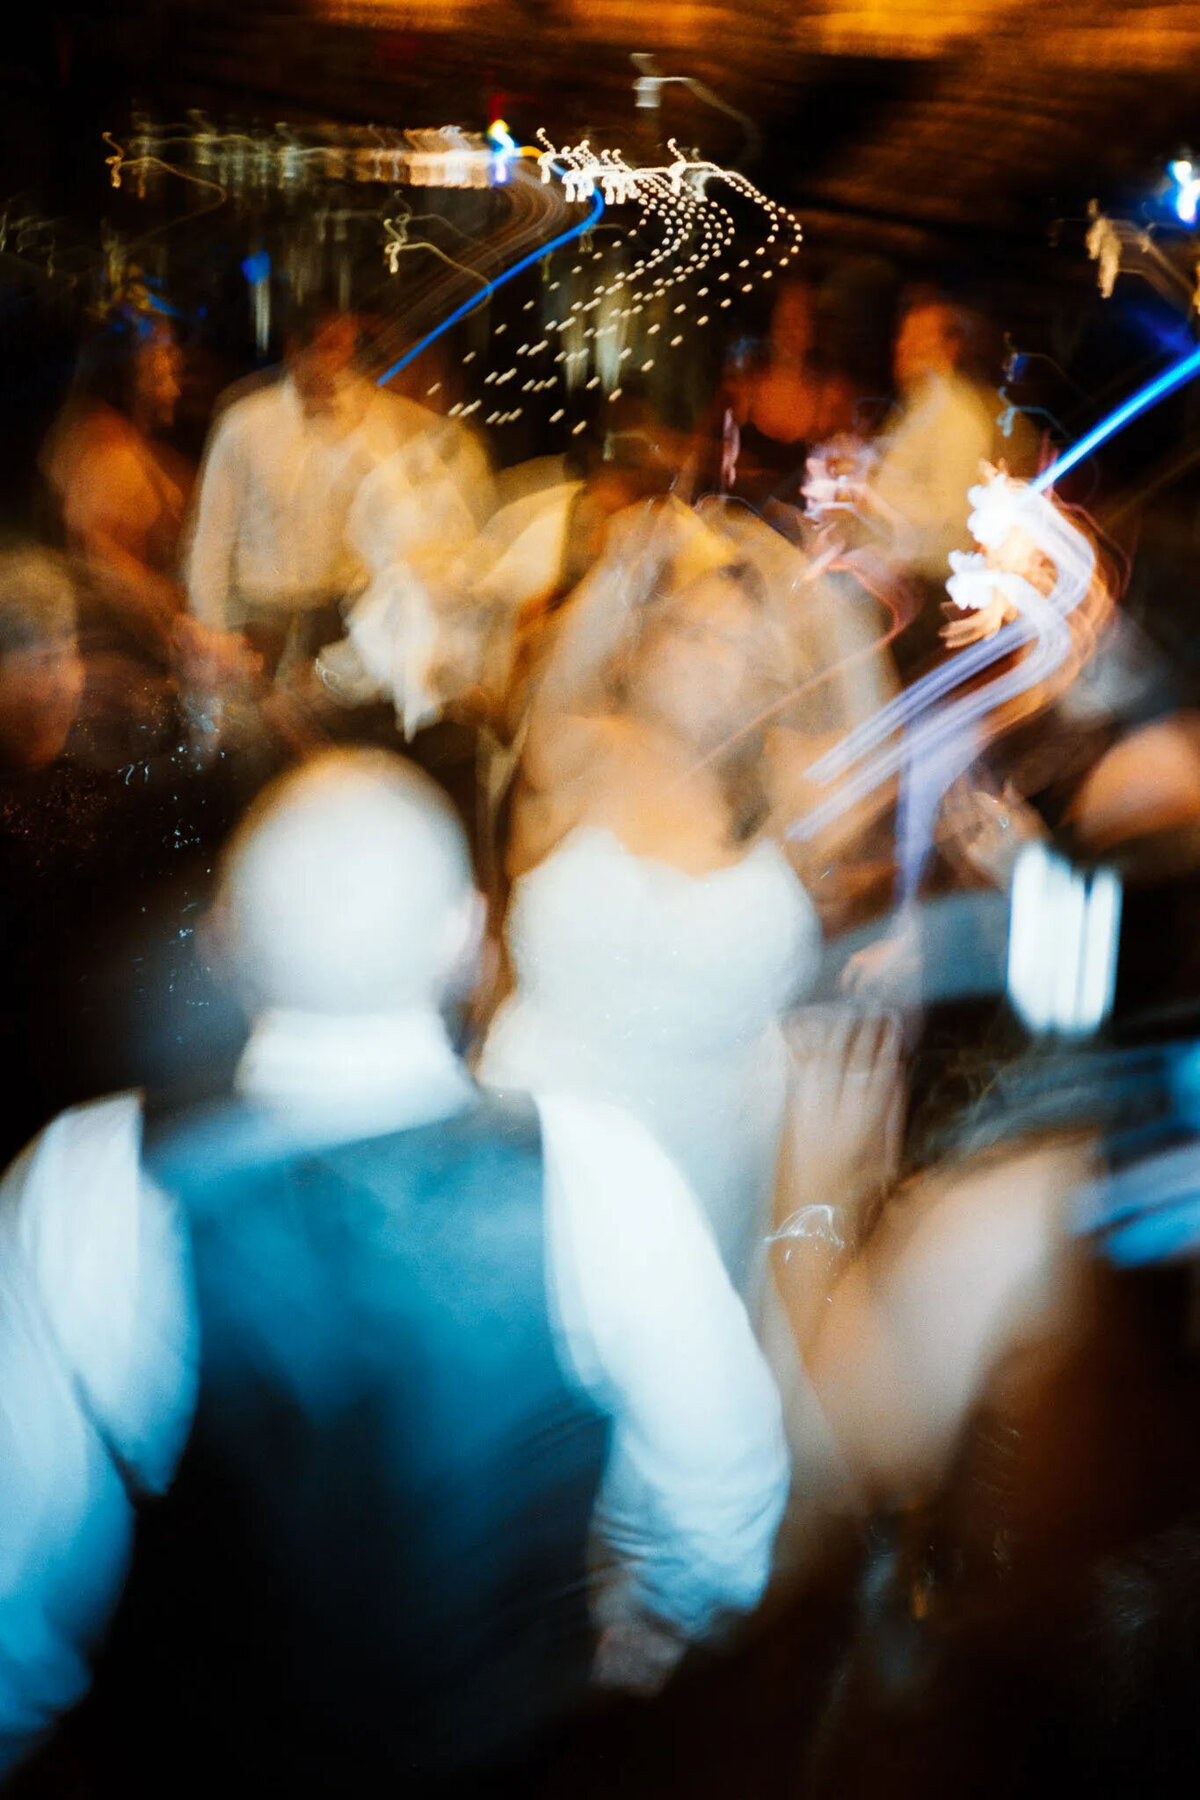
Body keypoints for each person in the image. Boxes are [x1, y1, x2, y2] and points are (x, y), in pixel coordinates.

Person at [0, 748, 788, 1795]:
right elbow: (725, 1487)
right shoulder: (601, 1168)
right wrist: (659, 1619)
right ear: (468, 936)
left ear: (226, 937)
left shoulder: (87, 1180)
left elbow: (21, 1586)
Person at [184, 303, 489, 677]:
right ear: (296, 351)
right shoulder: (245, 426)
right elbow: (211, 539)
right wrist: (213, 630)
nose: (342, 362)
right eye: (330, 347)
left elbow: (444, 453)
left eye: (348, 349)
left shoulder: (377, 423)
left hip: (341, 615)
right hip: (263, 616)